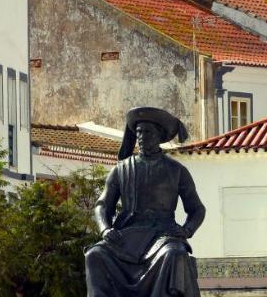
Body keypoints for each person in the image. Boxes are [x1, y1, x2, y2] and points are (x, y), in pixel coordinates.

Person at [84, 107, 205, 297]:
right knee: (94, 254)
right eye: (138, 132)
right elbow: (103, 205)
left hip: (162, 236)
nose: (141, 136)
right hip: (127, 237)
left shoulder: (176, 170)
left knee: (174, 254)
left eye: (147, 132)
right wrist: (105, 229)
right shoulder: (121, 169)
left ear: (159, 136)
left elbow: (197, 209)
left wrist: (186, 230)